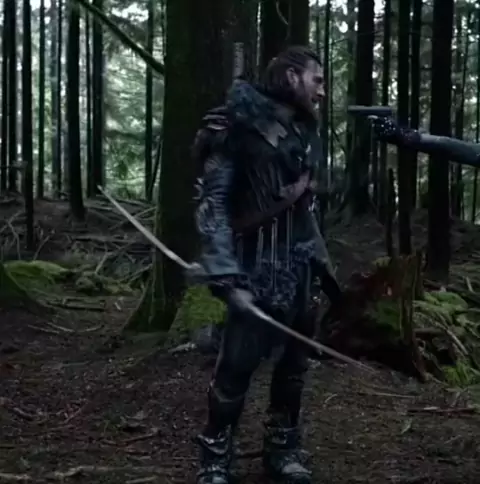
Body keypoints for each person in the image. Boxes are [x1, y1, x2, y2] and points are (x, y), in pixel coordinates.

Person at [190, 46, 342, 484]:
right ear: (292, 77)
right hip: (255, 270)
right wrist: (225, 273)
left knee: (293, 370)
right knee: (235, 370)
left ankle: (282, 449)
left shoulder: (303, 132)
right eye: (317, 80)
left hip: (301, 269)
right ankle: (215, 458)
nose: (322, 91)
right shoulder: (234, 127)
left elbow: (306, 204)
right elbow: (214, 204)